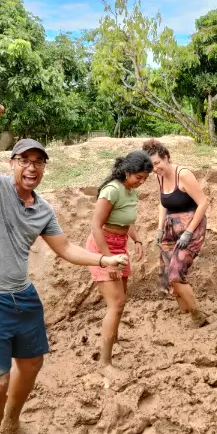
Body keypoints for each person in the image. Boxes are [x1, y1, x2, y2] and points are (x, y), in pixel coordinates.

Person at [0, 97, 127, 434]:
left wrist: (102, 259)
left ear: (44, 168)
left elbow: (63, 247)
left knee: (31, 364)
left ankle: (13, 422)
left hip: (22, 297)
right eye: (24, 160)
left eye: (38, 161)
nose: (31, 167)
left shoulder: (42, 208)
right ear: (12, 164)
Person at [86, 150, 153, 386]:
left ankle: (113, 340)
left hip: (120, 246)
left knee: (122, 299)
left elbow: (126, 220)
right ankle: (104, 363)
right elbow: (96, 226)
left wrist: (137, 240)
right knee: (116, 303)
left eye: (145, 178)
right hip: (103, 247)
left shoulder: (130, 191)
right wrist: (107, 259)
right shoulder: (112, 189)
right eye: (138, 177)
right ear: (127, 172)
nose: (141, 182)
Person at [142, 139, 208, 327]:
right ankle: (185, 309)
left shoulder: (183, 175)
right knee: (167, 274)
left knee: (176, 274)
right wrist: (159, 228)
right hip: (171, 228)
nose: (155, 168)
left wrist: (188, 232)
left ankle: (198, 316)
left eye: (157, 163)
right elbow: (163, 203)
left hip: (191, 227)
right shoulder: (159, 176)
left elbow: (203, 203)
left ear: (166, 158)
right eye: (151, 166)